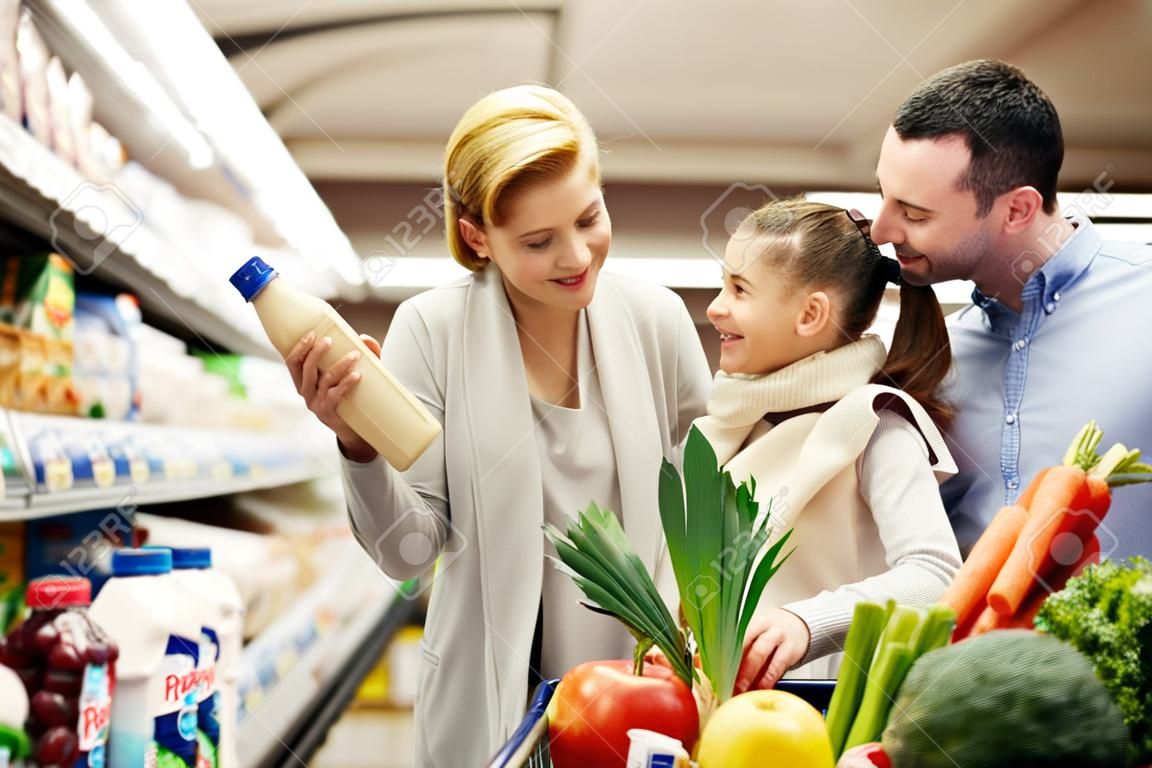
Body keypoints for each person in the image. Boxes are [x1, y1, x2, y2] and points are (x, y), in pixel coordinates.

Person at [282, 85, 711, 766]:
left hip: (635, 702)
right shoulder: (431, 331)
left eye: (589, 218)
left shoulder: (657, 322)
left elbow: (708, 520)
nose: (576, 257)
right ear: (478, 236)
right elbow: (409, 554)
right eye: (539, 241)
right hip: (491, 712)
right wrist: (357, 445)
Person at [870, 59, 1152, 560]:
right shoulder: (936, 358)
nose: (882, 230)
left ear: (1018, 209)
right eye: (883, 196)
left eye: (914, 212)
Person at [694, 198, 962, 692]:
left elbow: (937, 576)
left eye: (739, 288)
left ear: (811, 314)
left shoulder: (878, 425)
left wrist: (807, 622)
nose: (716, 306)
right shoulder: (731, 427)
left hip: (827, 717)